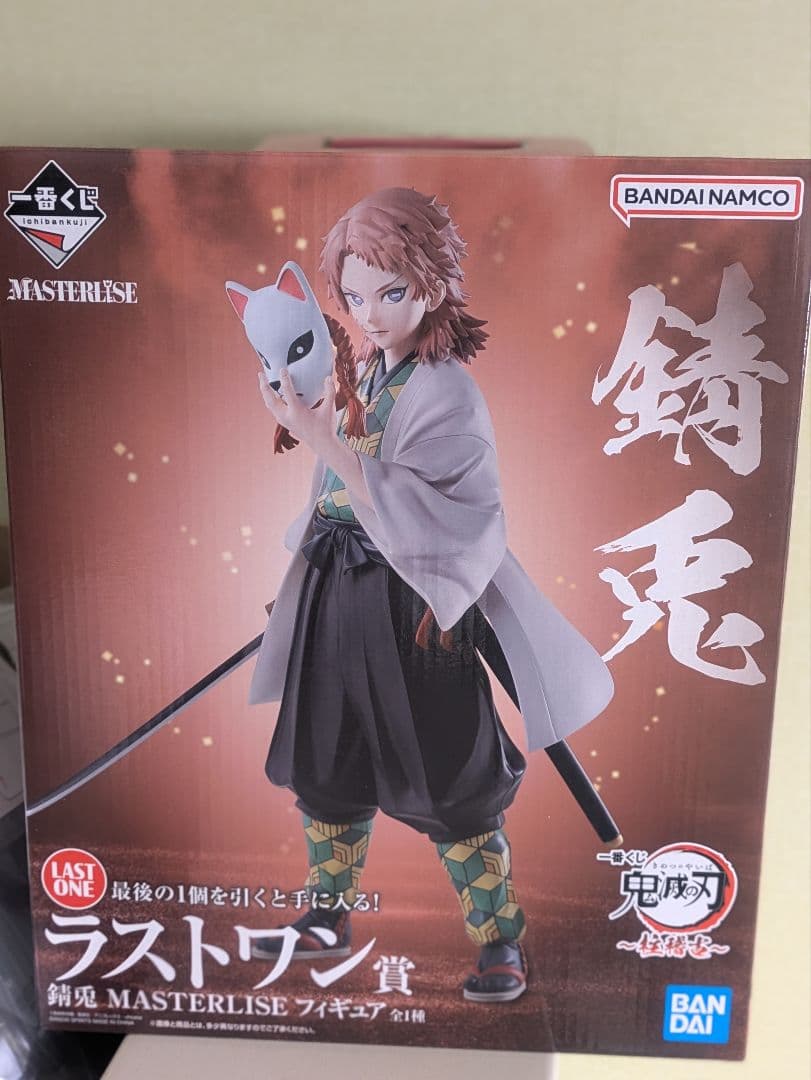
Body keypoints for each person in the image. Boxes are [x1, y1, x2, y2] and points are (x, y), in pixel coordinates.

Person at [249, 187, 614, 1003]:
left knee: (450, 775)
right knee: (327, 760)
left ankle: (498, 939)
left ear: (434, 284)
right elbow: (332, 496)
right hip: (335, 588)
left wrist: (325, 442)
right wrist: (299, 588)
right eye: (353, 298)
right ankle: (325, 915)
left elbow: (452, 517)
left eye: (390, 293)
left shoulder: (447, 391)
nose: (369, 315)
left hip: (415, 604)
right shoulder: (368, 374)